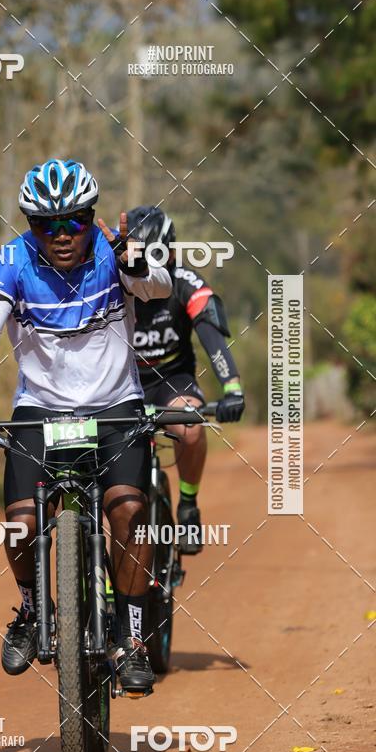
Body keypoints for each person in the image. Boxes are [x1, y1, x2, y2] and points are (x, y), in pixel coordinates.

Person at [0, 160, 172, 693]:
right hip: (41, 408)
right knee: (23, 522)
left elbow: (158, 289)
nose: (62, 235)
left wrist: (137, 262)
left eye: (75, 220)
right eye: (47, 224)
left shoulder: (114, 252)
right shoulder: (13, 260)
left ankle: (132, 638)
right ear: (30, 225)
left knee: (129, 510)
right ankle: (30, 610)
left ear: (92, 217)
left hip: (115, 405)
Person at [126, 205, 245, 554]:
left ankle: (189, 505)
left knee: (191, 426)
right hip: (122, 383)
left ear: (172, 252)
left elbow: (212, 338)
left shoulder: (186, 284)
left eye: (158, 257)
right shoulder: (113, 281)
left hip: (171, 380)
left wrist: (232, 388)